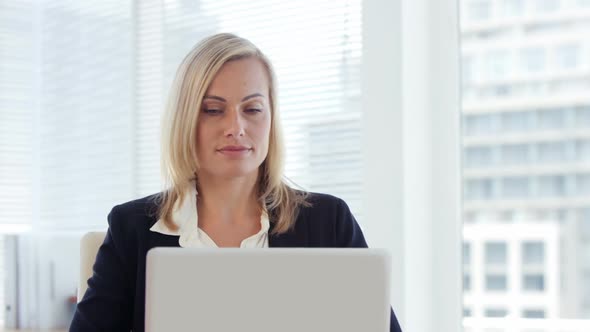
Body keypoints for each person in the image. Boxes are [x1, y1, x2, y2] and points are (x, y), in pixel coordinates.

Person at [70, 33, 403, 332]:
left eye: (253, 109)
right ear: (186, 119)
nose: (236, 127)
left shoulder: (328, 221)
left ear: (271, 118)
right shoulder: (132, 228)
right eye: (214, 110)